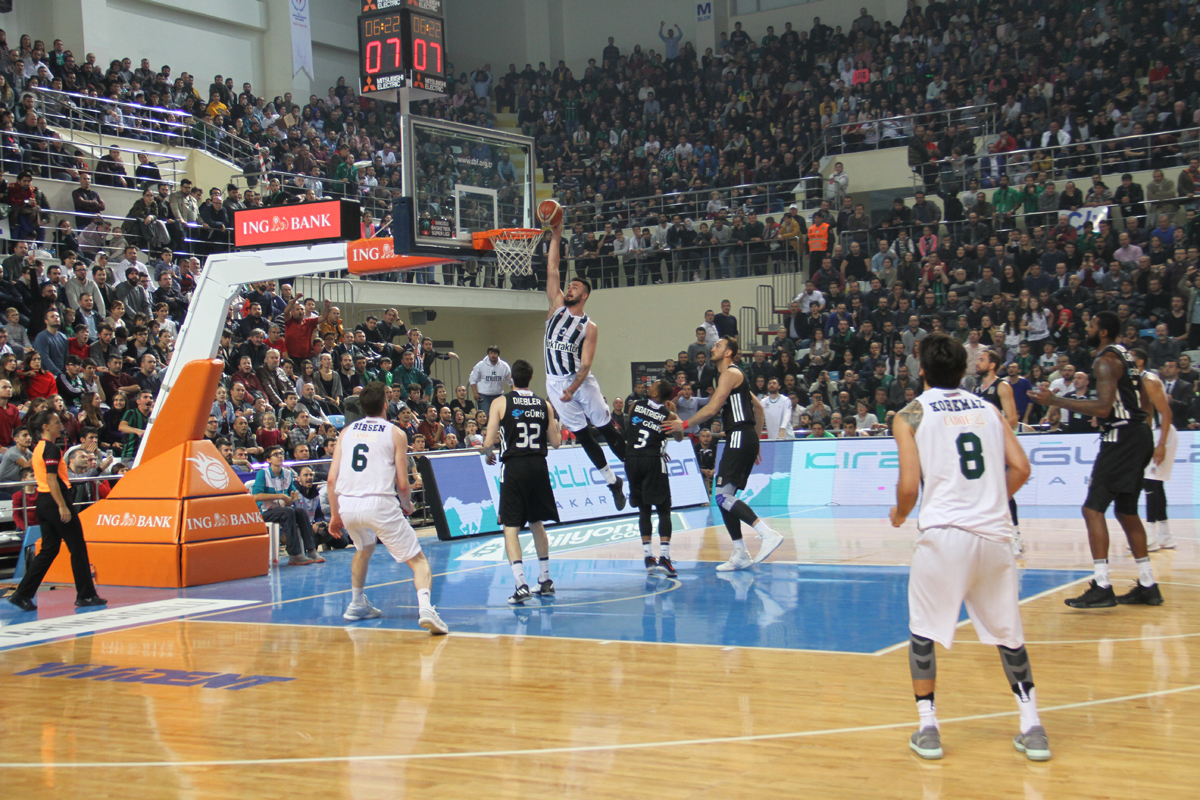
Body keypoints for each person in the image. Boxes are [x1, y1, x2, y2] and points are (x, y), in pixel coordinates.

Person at [889, 333, 1047, 762]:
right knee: (1009, 634)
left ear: (921, 370)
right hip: (995, 536)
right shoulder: (990, 409)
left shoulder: (911, 414)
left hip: (944, 536)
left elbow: (908, 486)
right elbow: (1022, 468)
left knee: (923, 632)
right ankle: (1032, 726)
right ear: (963, 370)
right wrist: (993, 500)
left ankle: (929, 729)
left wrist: (901, 513)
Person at [1029, 311, 1163, 608]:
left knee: (1092, 509)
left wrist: (1055, 401)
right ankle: (1148, 584)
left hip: (1122, 436)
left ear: (1102, 332)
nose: (1086, 327)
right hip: (1138, 432)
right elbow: (1139, 400)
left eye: (1090, 325)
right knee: (1127, 511)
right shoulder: (1125, 355)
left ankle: (1102, 585)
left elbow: (1103, 408)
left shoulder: (1105, 360)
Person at [327, 381, 448, 633]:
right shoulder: (395, 433)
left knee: (363, 547)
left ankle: (357, 603)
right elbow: (403, 484)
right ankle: (426, 608)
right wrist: (407, 506)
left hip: (348, 503)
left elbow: (331, 478)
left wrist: (335, 516)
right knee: (418, 561)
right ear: (386, 404)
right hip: (379, 502)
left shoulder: (345, 432)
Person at [666, 336, 782, 570]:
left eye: (718, 345)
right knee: (723, 497)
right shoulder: (732, 377)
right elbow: (758, 409)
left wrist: (685, 425)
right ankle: (740, 552)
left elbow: (712, 408)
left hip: (739, 434)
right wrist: (756, 440)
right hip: (742, 436)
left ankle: (766, 533)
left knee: (722, 497)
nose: (713, 347)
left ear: (728, 353)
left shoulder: (730, 373)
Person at [543, 212, 627, 509]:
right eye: (569, 286)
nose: (569, 289)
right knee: (582, 435)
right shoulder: (555, 308)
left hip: (580, 382)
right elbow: (553, 268)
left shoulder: (589, 326)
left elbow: (586, 364)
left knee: (604, 427)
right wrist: (556, 233)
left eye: (575, 288)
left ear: (585, 296)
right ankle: (612, 482)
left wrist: (574, 387)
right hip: (555, 383)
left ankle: (634, 466)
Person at [7, 409, 107, 611]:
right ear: (46, 427)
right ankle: (86, 595)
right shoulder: (51, 449)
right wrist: (63, 505)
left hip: (44, 502)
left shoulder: (39, 448)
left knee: (49, 550)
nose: (60, 425)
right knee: (77, 547)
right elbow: (52, 479)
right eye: (56, 422)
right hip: (55, 501)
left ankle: (22, 594)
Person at [481, 359, 562, 604]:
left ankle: (521, 584)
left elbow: (487, 442)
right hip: (538, 466)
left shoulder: (500, 402)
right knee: (536, 522)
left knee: (511, 527)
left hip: (514, 467)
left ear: (511, 378)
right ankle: (545, 580)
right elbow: (557, 442)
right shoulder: (544, 404)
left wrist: (488, 454)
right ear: (531, 377)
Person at [625, 378, 685, 577]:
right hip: (652, 461)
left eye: (652, 385)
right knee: (663, 509)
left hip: (632, 460)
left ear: (655, 394)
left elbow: (633, 424)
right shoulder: (668, 415)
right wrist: (673, 412)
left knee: (644, 509)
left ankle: (648, 556)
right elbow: (679, 437)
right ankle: (665, 558)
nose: (648, 386)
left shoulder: (634, 405)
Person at [974, 349, 1024, 555]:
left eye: (981, 359)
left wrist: (990, 430)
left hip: (997, 444)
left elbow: (1012, 418)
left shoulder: (1002, 386)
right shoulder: (977, 389)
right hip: (980, 446)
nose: (977, 363)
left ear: (992, 364)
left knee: (1003, 491)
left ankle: (1015, 536)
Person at [1131, 347, 1177, 551]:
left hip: (1161, 433)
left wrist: (1160, 444)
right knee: (1156, 486)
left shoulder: (1149, 380)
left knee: (1150, 483)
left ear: (1140, 362)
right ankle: (1165, 535)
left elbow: (1166, 413)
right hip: (1150, 433)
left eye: (1130, 356)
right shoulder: (1133, 380)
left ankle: (1150, 536)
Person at [251, 445, 322, 566]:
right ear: (268, 460)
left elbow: (290, 497)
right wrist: (281, 496)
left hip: (281, 510)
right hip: (264, 512)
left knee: (300, 511)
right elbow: (256, 497)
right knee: (288, 511)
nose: (280, 456)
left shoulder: (288, 474)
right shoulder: (263, 474)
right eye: (276, 454)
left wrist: (292, 498)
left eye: (281, 453)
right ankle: (294, 554)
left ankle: (311, 550)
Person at [469, 346, 512, 414]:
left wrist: (516, 393)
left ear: (498, 354)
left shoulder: (504, 366)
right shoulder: (481, 365)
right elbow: (472, 379)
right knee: (485, 417)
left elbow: (510, 381)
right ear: (488, 354)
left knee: (499, 416)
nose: (493, 355)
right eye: (491, 353)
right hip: (484, 396)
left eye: (495, 353)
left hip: (498, 395)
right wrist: (475, 393)